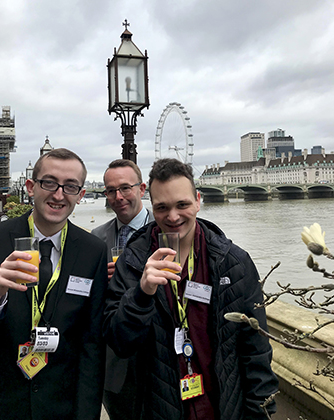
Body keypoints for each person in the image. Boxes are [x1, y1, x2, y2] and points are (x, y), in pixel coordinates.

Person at [103, 158, 279, 420]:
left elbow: (255, 349)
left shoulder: (234, 262)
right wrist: (141, 293)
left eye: (182, 205)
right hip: (159, 409)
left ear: (198, 200)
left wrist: (260, 412)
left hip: (221, 409)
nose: (173, 217)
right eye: (162, 207)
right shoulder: (133, 262)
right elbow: (119, 342)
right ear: (153, 206)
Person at [0, 148, 107, 420]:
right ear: (30, 187)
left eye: (70, 186)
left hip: (59, 408)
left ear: (81, 195)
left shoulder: (93, 251)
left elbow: (91, 345)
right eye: (49, 182)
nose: (59, 194)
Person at [92, 159, 153, 420]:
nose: (118, 197)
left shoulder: (165, 232)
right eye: (110, 191)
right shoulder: (96, 238)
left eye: (125, 188)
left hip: (158, 357)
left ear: (142, 188)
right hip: (114, 366)